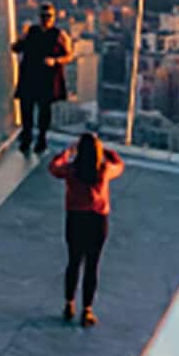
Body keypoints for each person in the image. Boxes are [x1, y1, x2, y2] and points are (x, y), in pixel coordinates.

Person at [49, 131, 123, 326]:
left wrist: (66, 153)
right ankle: (87, 310)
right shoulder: (104, 170)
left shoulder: (72, 170)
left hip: (75, 219)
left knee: (73, 262)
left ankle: (69, 303)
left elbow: (54, 168)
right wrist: (107, 151)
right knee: (92, 265)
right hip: (97, 221)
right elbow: (120, 165)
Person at [12, 3, 73, 156]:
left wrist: (56, 61)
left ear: (54, 17)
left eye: (49, 16)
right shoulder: (31, 31)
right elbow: (16, 47)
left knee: (44, 111)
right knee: (26, 108)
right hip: (30, 75)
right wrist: (19, 39)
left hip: (46, 78)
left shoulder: (59, 34)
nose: (45, 19)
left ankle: (41, 139)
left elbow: (69, 55)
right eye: (43, 16)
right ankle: (26, 137)